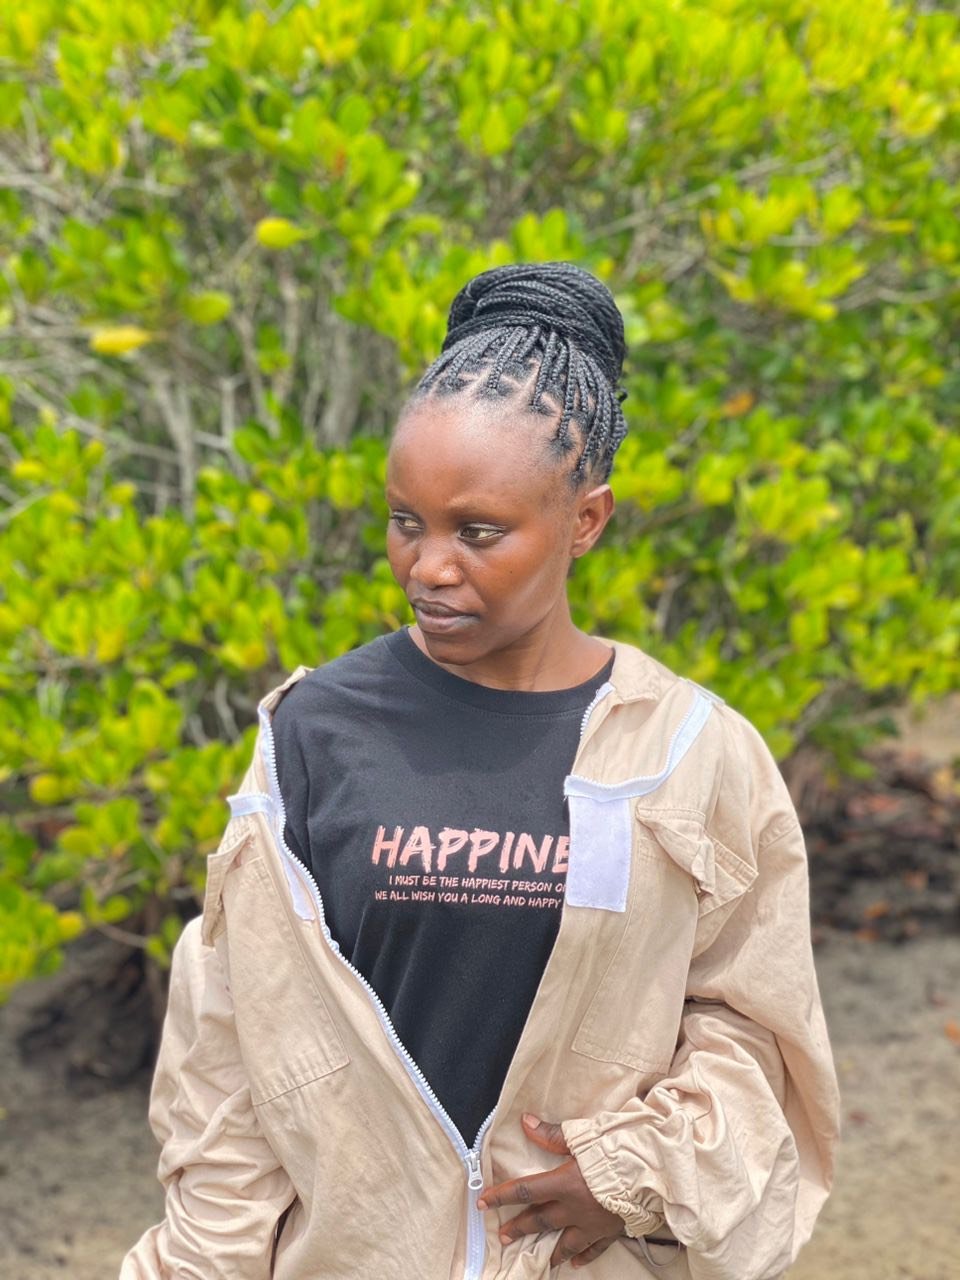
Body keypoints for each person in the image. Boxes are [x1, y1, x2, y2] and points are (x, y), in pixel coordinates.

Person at [121, 262, 839, 1280]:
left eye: (480, 531)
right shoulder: (315, 731)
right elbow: (232, 1053)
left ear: (586, 520)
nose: (429, 566)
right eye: (406, 520)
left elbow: (753, 1027)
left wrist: (632, 1167)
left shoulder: (685, 750)